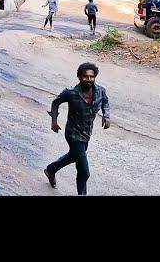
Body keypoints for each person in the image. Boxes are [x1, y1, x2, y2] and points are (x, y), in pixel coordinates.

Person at [44, 62, 111, 195]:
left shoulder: (100, 91)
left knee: (73, 156)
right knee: (84, 172)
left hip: (86, 133)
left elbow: (105, 102)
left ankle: (51, 169)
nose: (89, 79)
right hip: (73, 134)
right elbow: (56, 102)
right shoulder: (71, 93)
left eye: (91, 77)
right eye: (85, 76)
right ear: (79, 77)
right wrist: (54, 121)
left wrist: (106, 115)